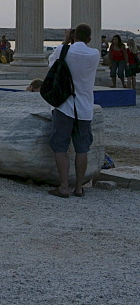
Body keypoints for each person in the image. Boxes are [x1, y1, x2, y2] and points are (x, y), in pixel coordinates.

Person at [46, 23, 100, 198]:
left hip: (64, 105)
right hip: (85, 107)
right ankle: (78, 187)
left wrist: (65, 41)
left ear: (72, 36)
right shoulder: (94, 54)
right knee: (82, 148)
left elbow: (51, 64)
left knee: (60, 147)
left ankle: (63, 186)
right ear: (89, 39)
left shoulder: (64, 51)